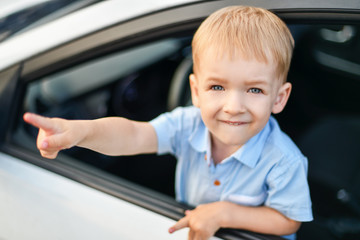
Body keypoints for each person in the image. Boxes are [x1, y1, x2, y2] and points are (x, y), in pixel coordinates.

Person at [23, 5, 313, 240]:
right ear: (196, 92)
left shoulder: (283, 160)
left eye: (254, 90)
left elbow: (289, 220)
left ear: (279, 98)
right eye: (217, 88)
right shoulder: (189, 124)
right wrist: (81, 131)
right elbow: (135, 135)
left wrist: (225, 214)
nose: (233, 107)